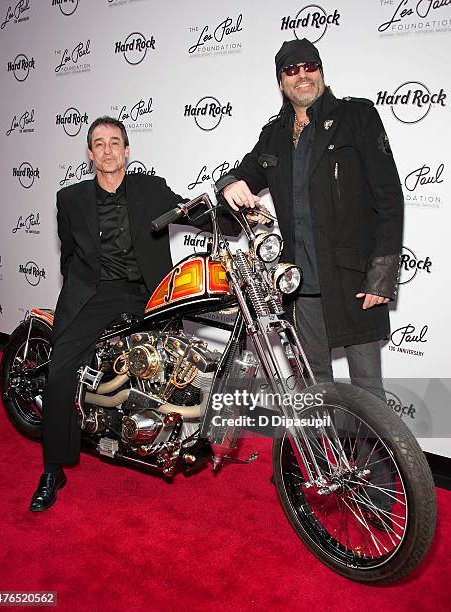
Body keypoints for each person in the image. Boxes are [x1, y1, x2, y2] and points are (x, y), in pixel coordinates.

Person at [29, 116, 252, 512]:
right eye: (99, 143)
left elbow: (193, 215)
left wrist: (238, 220)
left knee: (174, 364)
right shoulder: (70, 199)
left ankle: (167, 431)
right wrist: (76, 295)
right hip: (98, 294)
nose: (108, 149)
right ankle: (51, 468)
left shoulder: (150, 188)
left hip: (149, 292)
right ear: (90, 154)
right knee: (61, 370)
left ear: (127, 150)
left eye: (115, 142)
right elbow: (69, 257)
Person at [216, 38, 404, 401]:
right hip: (300, 287)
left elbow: (389, 198)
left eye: (309, 67)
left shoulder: (357, 117)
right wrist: (229, 185)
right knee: (317, 384)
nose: (302, 75)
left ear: (320, 71)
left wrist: (381, 275)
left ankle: (379, 461)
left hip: (355, 280)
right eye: (291, 70)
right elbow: (239, 174)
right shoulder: (272, 135)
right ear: (281, 81)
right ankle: (327, 459)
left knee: (368, 392)